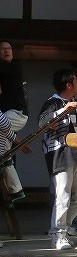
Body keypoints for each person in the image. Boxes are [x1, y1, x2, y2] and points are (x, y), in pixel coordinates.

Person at [38, 68, 77, 250]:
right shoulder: (53, 103)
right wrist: (63, 110)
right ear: (69, 85)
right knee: (62, 195)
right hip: (60, 155)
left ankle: (62, 230)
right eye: (76, 82)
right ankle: (58, 234)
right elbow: (42, 122)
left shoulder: (76, 103)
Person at [0, 41, 29, 201]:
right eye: (3, 49)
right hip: (7, 114)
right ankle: (16, 190)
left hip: (18, 114)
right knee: (4, 154)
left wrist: (17, 139)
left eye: (9, 48)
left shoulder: (14, 67)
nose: (7, 51)